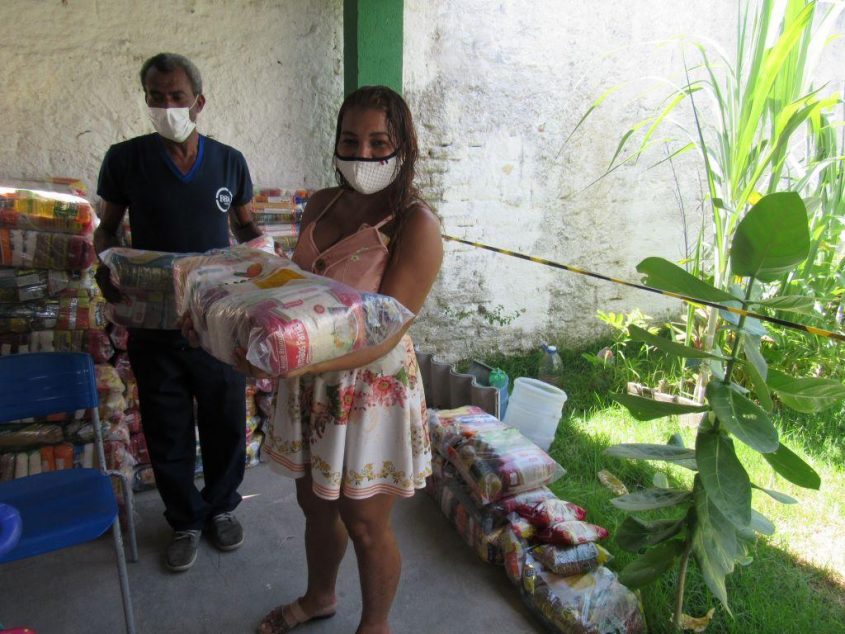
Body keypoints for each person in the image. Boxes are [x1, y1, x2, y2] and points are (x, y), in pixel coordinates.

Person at [253, 86, 443, 633]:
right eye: (351, 141)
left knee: (364, 521)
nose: (363, 156)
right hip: (311, 384)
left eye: (379, 143)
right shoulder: (321, 205)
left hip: (368, 388)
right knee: (314, 503)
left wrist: (289, 361)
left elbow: (384, 334)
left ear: (403, 147)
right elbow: (302, 291)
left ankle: (374, 626)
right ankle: (319, 597)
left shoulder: (415, 226)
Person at [94, 52, 263, 572]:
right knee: (166, 425)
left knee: (225, 420)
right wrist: (107, 265)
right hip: (153, 321)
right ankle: (185, 519)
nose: (167, 107)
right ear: (146, 100)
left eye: (177, 97)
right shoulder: (124, 160)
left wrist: (269, 269)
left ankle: (221, 509)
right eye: (156, 97)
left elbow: (249, 230)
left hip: (216, 322)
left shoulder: (229, 162)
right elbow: (108, 229)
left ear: (199, 102)